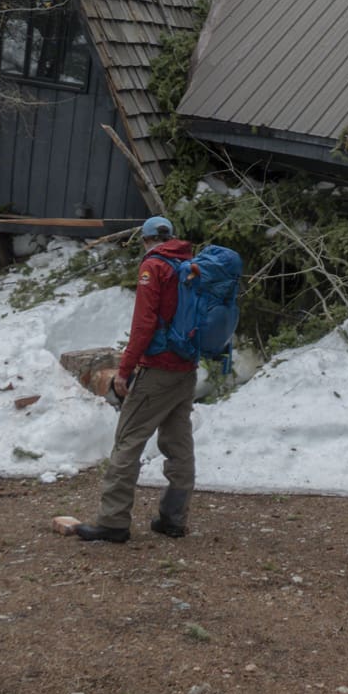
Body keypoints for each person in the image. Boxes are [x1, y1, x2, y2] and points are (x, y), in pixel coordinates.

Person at [75, 215, 198, 543]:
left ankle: (113, 521)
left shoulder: (153, 268)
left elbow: (144, 325)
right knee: (178, 443)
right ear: (171, 236)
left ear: (145, 240)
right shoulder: (190, 265)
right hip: (186, 369)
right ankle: (173, 519)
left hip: (157, 370)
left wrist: (125, 371)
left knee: (128, 440)